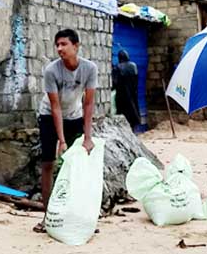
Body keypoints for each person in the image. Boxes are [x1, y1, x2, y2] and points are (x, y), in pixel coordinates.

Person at [35, 29, 97, 233]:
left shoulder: (89, 69)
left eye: (64, 44)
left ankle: (80, 216)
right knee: (48, 164)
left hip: (74, 116)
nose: (59, 48)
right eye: (57, 45)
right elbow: (55, 107)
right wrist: (61, 140)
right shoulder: (52, 70)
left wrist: (88, 137)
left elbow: (89, 103)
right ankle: (48, 217)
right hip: (49, 116)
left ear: (76, 46)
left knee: (77, 165)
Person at [112, 49, 141, 130]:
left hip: (122, 96)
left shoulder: (117, 67)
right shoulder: (134, 66)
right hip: (133, 94)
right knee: (133, 111)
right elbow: (136, 80)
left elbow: (114, 83)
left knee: (123, 114)